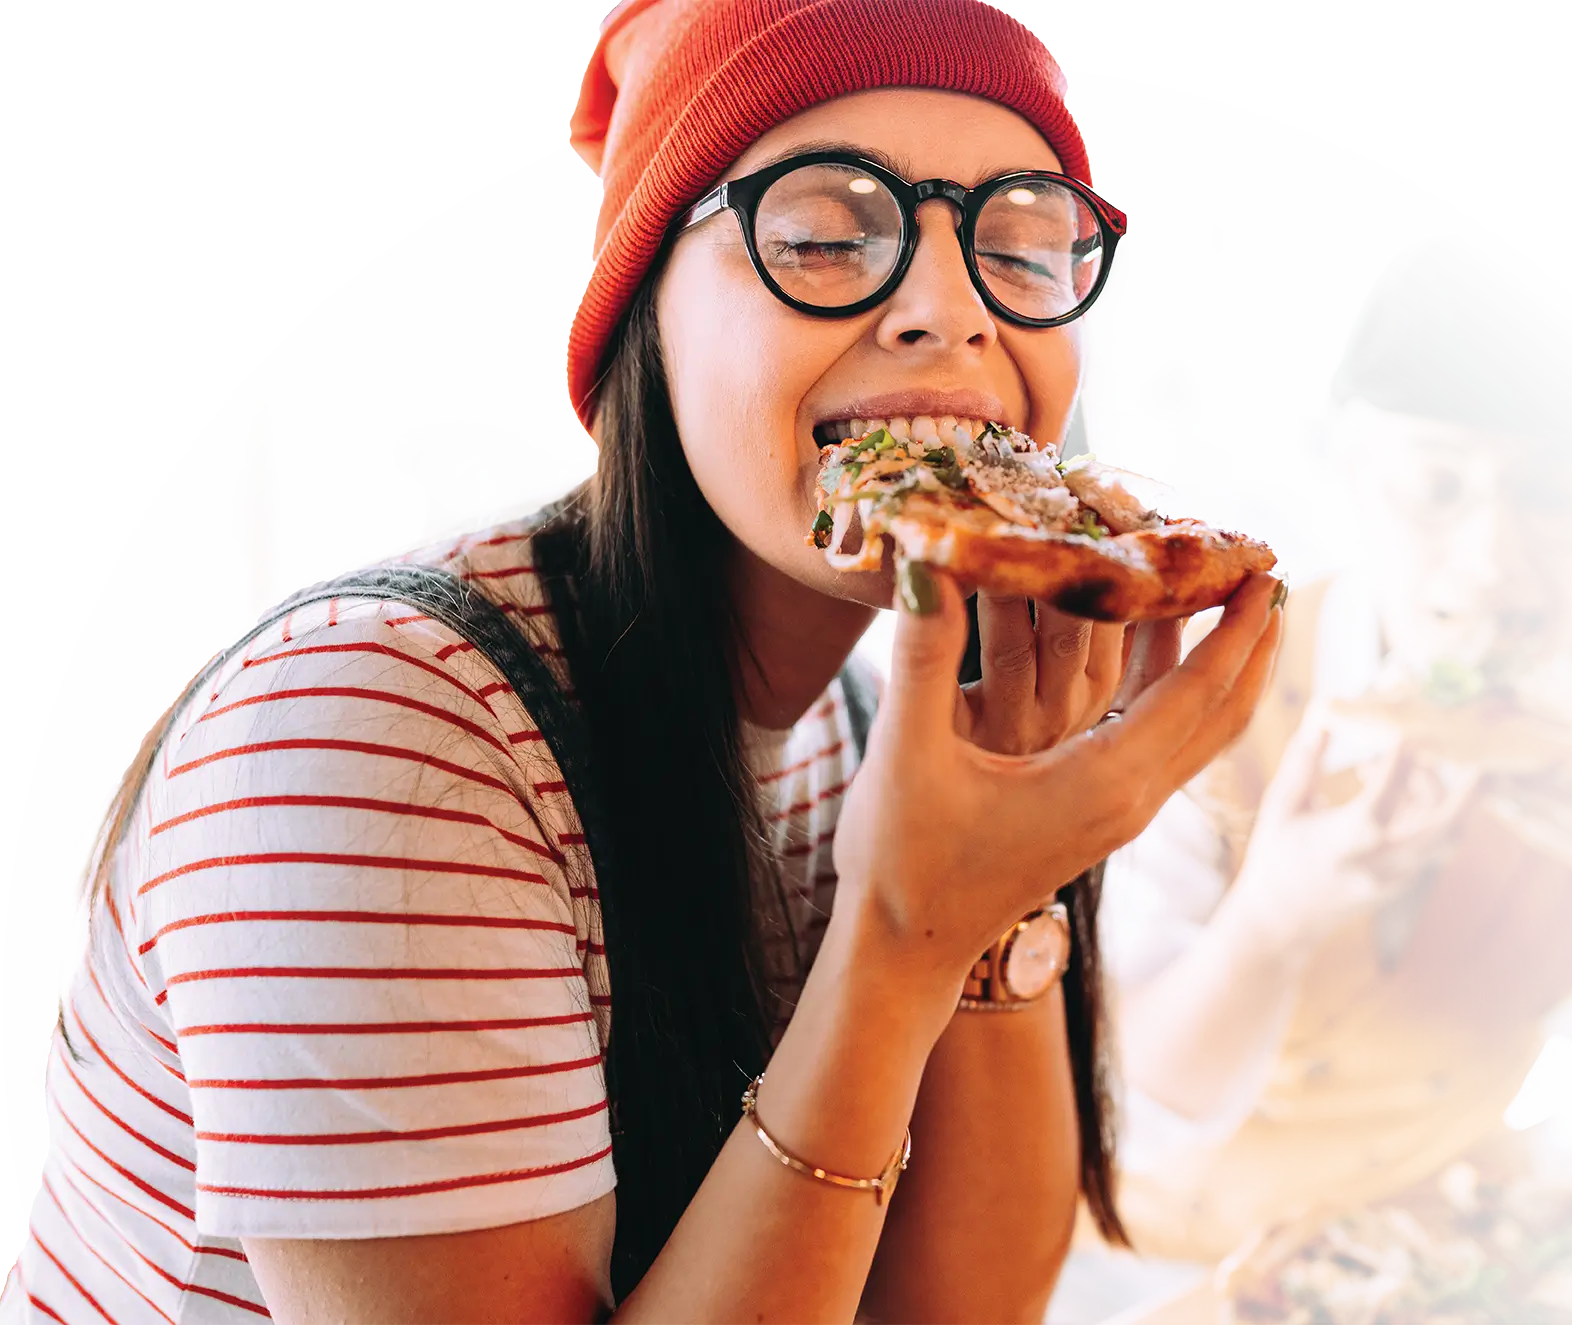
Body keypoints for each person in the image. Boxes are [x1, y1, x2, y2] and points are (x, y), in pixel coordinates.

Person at [0, 3, 1289, 1321]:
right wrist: (902, 939)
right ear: (641, 311)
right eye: (825, 236)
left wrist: (1004, 888)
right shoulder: (369, 739)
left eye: (1020, 248)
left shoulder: (867, 711)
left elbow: (959, 1308)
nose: (950, 314)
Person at [1093, 225, 1572, 1266]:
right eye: (1436, 485)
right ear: (1359, 480)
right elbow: (1119, 1114)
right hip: (1166, 1258)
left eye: (1551, 495)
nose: (1491, 562)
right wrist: (1273, 917)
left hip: (1445, 1246)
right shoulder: (1209, 672)